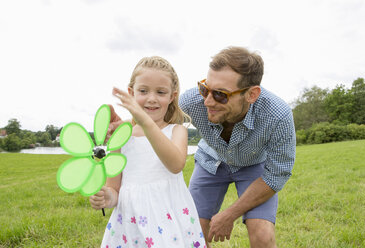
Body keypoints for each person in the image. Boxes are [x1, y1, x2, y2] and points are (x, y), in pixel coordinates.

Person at [178, 46, 296, 248]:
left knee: (262, 235)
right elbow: (155, 119)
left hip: (253, 166)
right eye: (205, 88)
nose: (207, 101)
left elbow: (276, 175)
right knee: (192, 235)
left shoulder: (278, 116)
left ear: (252, 94)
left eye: (220, 95)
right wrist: (124, 125)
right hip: (211, 161)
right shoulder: (191, 102)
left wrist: (229, 215)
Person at [89, 56, 206, 248]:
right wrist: (107, 197)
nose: (152, 98)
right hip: (131, 223)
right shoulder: (122, 136)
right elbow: (114, 188)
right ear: (131, 93)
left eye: (161, 92)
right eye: (143, 91)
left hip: (169, 222)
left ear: (172, 96)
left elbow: (175, 165)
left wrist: (144, 120)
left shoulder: (177, 131)